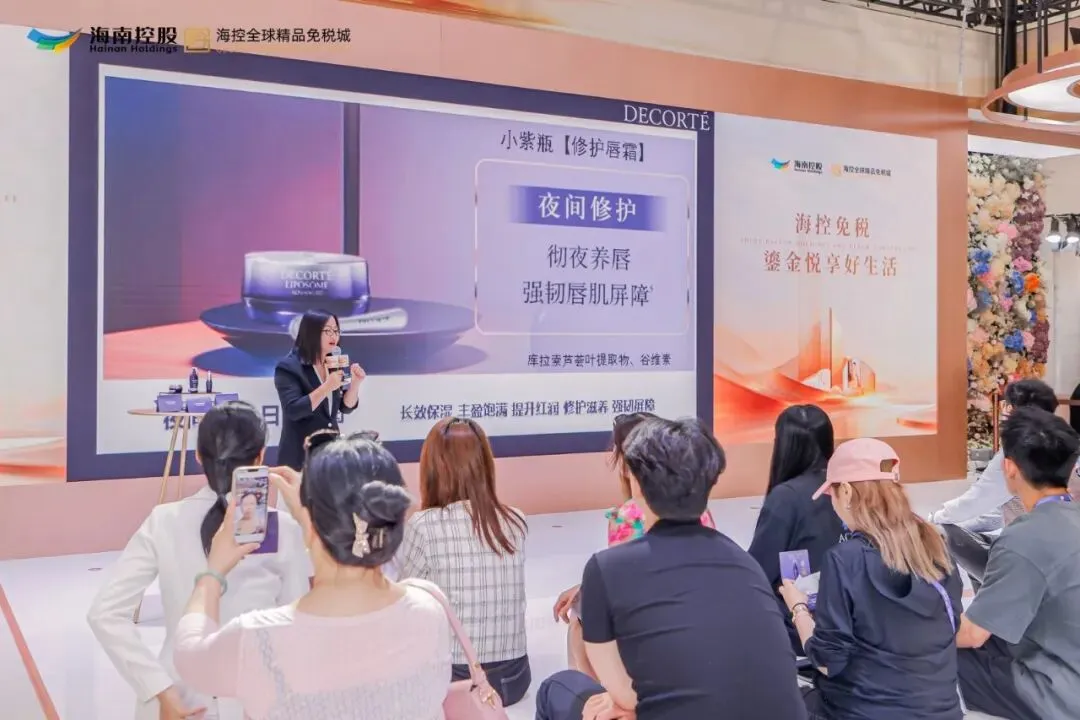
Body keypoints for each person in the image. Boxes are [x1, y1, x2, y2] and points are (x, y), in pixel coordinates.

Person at [536, 416, 807, 720]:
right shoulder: (745, 564)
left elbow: (624, 695)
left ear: (637, 482)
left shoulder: (606, 568)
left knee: (557, 687)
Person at [173, 435, 453, 719]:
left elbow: (189, 657)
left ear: (309, 522)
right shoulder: (430, 608)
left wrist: (212, 573)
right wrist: (311, 516)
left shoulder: (260, 638)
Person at [87, 402, 311, 720]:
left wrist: (157, 687)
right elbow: (297, 628)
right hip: (255, 703)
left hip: (178, 700)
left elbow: (104, 614)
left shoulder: (163, 520)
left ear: (198, 456)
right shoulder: (284, 528)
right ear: (260, 457)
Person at [780, 438, 963, 720]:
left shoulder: (844, 559)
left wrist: (798, 608)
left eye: (833, 494)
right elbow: (949, 627)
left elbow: (828, 661)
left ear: (847, 492)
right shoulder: (936, 546)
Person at [552, 411, 717, 678]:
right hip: (698, 617)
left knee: (578, 617)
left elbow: (620, 585)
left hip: (646, 628)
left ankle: (590, 689)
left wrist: (586, 592)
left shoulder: (627, 516)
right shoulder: (699, 508)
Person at [395, 416, 531, 706]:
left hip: (456, 681)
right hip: (515, 677)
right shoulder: (516, 520)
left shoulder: (424, 525)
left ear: (433, 469)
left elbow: (403, 603)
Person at [956, 407, 1080, 720]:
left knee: (931, 655)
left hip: (1060, 693)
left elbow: (972, 634)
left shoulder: (1024, 538)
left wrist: (909, 627)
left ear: (1010, 467)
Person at [929, 378, 1059, 590]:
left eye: (1007, 406)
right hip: (1061, 550)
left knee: (940, 532)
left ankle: (999, 597)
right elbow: (995, 512)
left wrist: (935, 519)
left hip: (1035, 558)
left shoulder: (1019, 450)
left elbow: (977, 500)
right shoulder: (1064, 444)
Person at [747, 404, 843, 653]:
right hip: (849, 622)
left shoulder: (786, 497)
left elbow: (756, 573)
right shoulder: (846, 488)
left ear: (783, 446)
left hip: (802, 628)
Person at [274, 309, 365, 471]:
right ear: (311, 332)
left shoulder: (333, 362)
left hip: (331, 456)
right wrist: (327, 386)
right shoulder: (289, 367)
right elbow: (294, 410)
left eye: (336, 331)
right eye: (328, 331)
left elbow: (345, 407)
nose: (334, 336)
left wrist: (355, 384)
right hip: (300, 458)